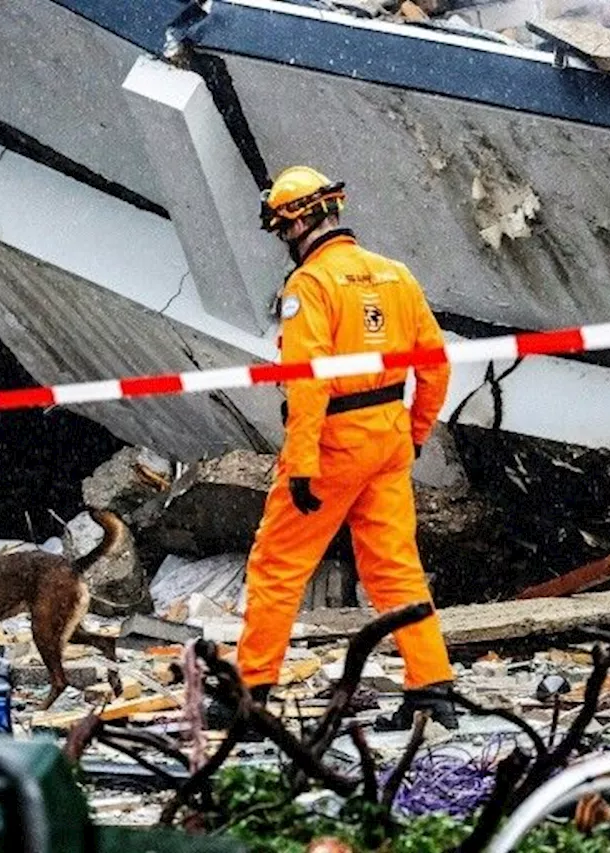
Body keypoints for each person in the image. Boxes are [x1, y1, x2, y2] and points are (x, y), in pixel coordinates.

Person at [238, 165, 457, 730]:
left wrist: (304, 465)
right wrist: (413, 433)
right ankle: (431, 689)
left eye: (282, 230)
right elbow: (434, 365)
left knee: (279, 564)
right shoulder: (395, 276)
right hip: (387, 435)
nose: (284, 242)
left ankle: (251, 691)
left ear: (297, 221)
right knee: (395, 566)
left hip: (333, 441)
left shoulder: (309, 286)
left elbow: (307, 381)